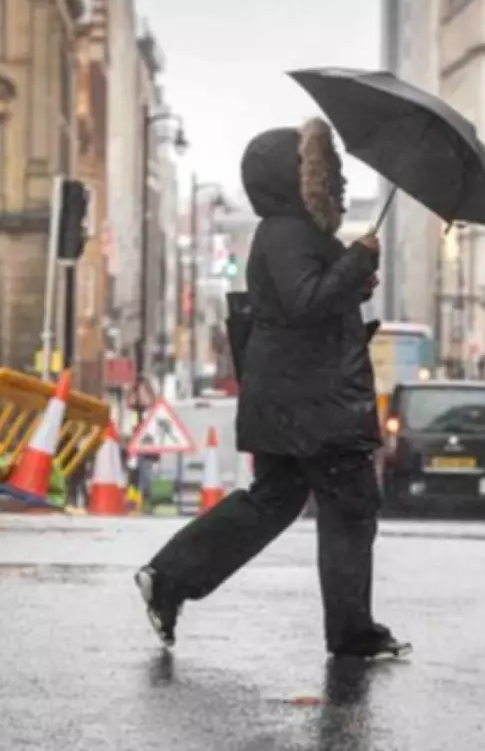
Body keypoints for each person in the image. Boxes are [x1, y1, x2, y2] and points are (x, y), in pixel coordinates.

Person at [134, 117, 410, 660]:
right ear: (296, 178)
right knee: (350, 505)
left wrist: (353, 278)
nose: (337, 181)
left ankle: (168, 578)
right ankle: (352, 633)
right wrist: (358, 260)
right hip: (315, 406)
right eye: (325, 170)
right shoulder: (287, 233)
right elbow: (306, 303)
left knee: (272, 503)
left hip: (293, 401)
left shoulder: (293, 234)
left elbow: (304, 304)